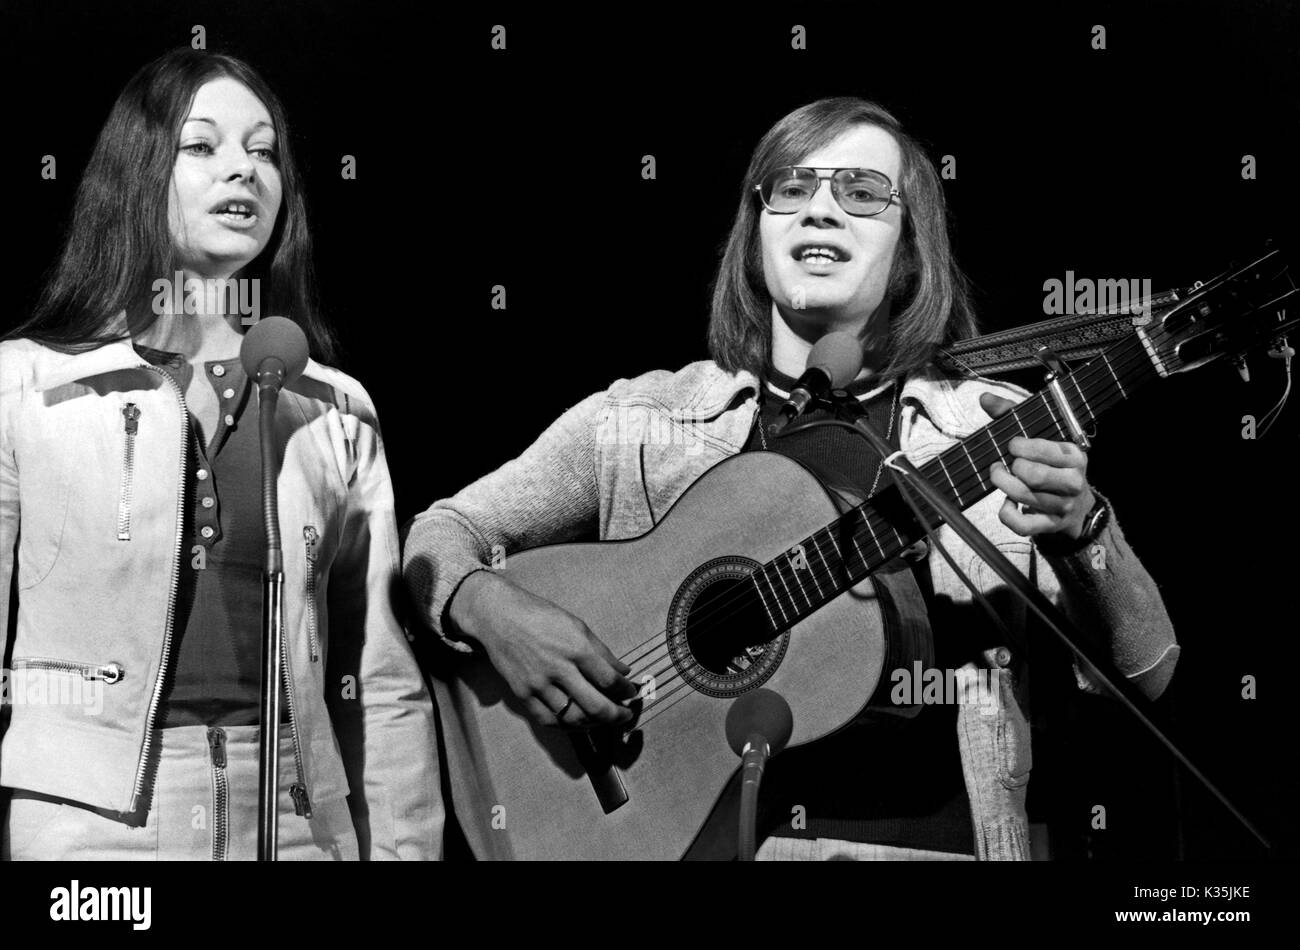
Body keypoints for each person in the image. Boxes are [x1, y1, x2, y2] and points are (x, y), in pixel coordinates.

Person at [401, 97, 1179, 860]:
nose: (821, 210)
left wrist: (1085, 532)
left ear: (912, 245)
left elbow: (1146, 675)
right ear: (756, 232)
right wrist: (490, 607)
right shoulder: (641, 421)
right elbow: (443, 534)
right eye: (794, 189)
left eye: (863, 192)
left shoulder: (989, 426)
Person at [0, 49, 441, 860]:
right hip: (91, 827)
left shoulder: (334, 407)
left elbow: (379, 680)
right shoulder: (26, 387)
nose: (243, 170)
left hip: (302, 819)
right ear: (137, 171)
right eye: (203, 147)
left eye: (264, 151)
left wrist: (403, 848)